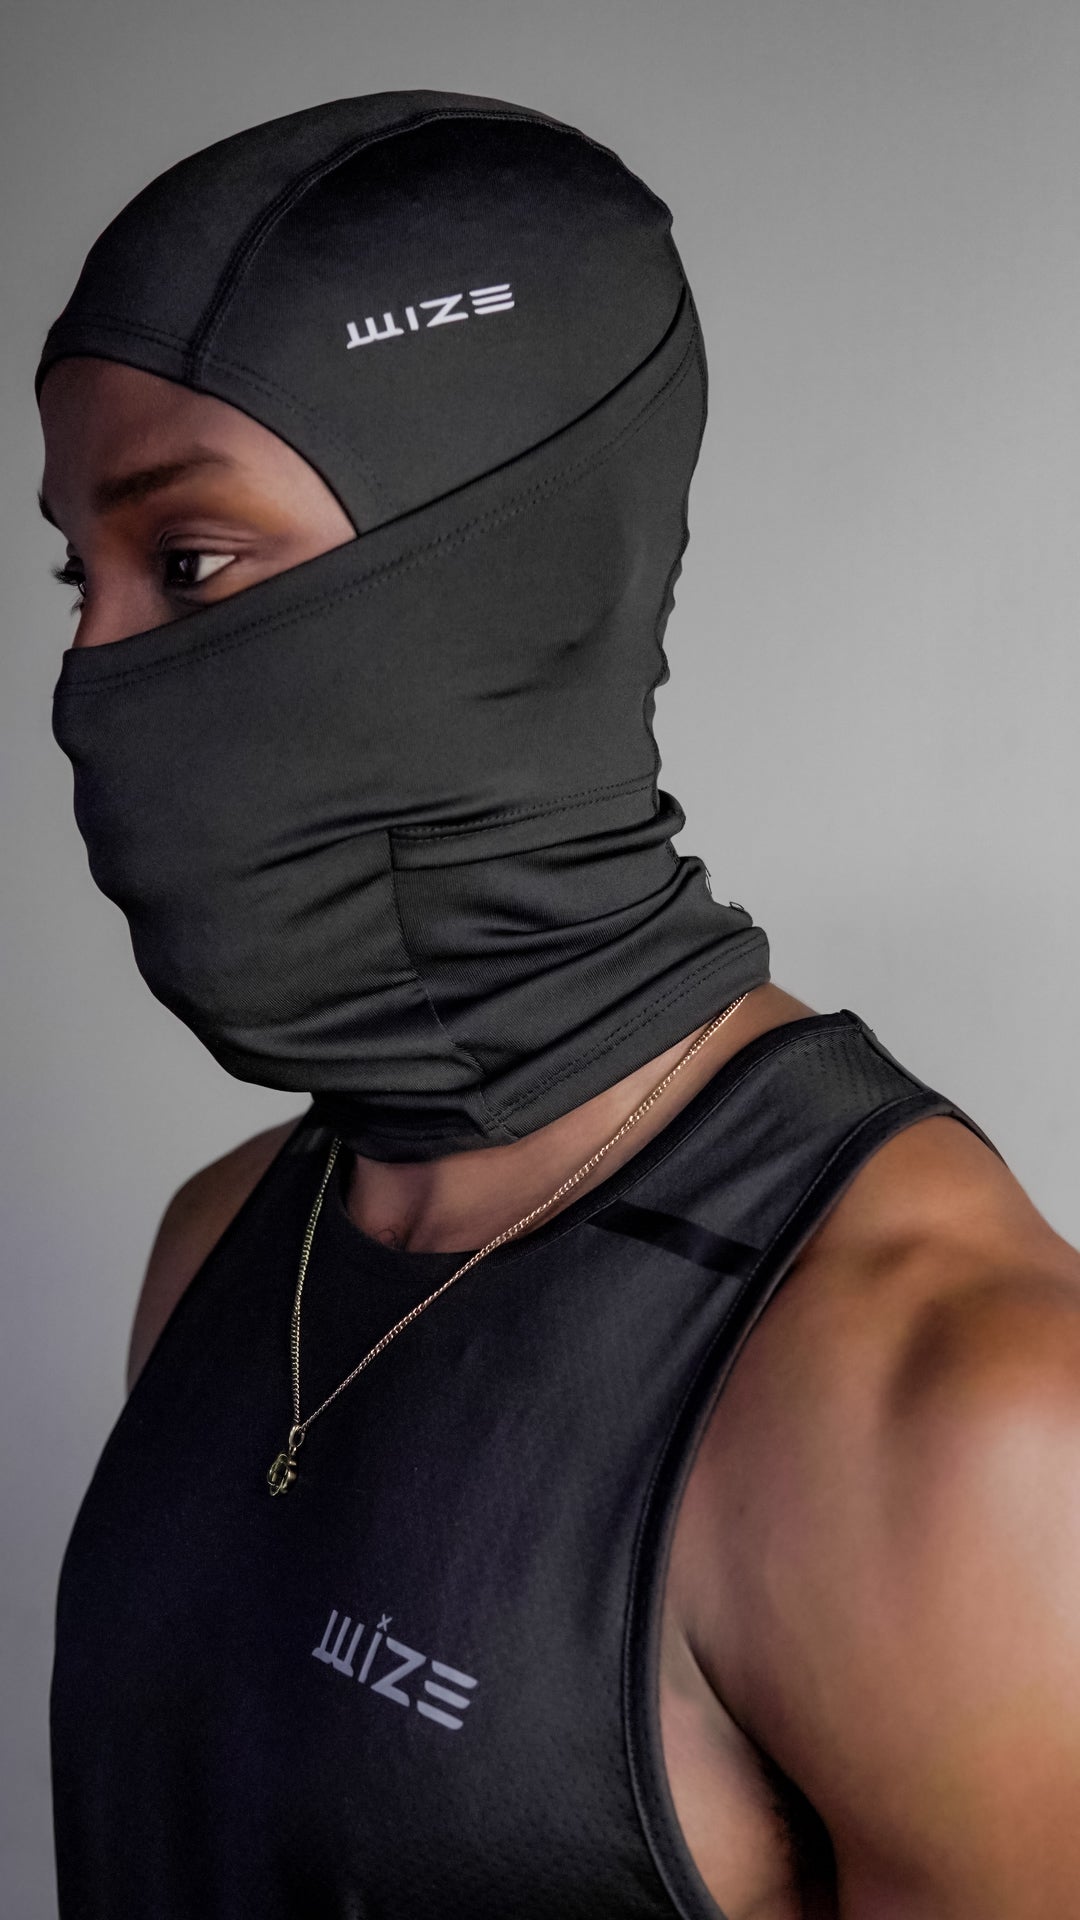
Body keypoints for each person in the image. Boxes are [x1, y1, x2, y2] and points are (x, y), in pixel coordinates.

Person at [36, 88, 1080, 1920]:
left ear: (498, 576)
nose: (86, 678)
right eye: (77, 576)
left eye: (189, 563)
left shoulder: (958, 1411)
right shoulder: (222, 1244)